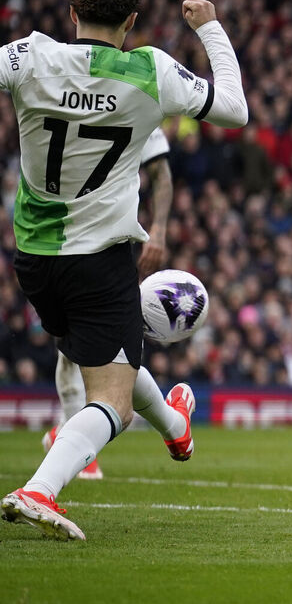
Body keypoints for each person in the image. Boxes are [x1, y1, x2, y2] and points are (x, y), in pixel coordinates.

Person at [0, 0, 248, 540]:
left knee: (114, 357)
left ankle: (174, 426)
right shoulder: (150, 70)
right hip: (101, 258)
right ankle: (40, 490)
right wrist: (210, 28)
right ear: (132, 21)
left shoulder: (27, 57)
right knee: (111, 400)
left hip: (34, 258)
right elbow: (235, 110)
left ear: (71, 16)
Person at [41, 126, 175, 481]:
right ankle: (173, 428)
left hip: (103, 241)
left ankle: (67, 436)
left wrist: (158, 230)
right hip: (56, 236)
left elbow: (160, 171)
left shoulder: (143, 93)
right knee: (74, 346)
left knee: (84, 345)